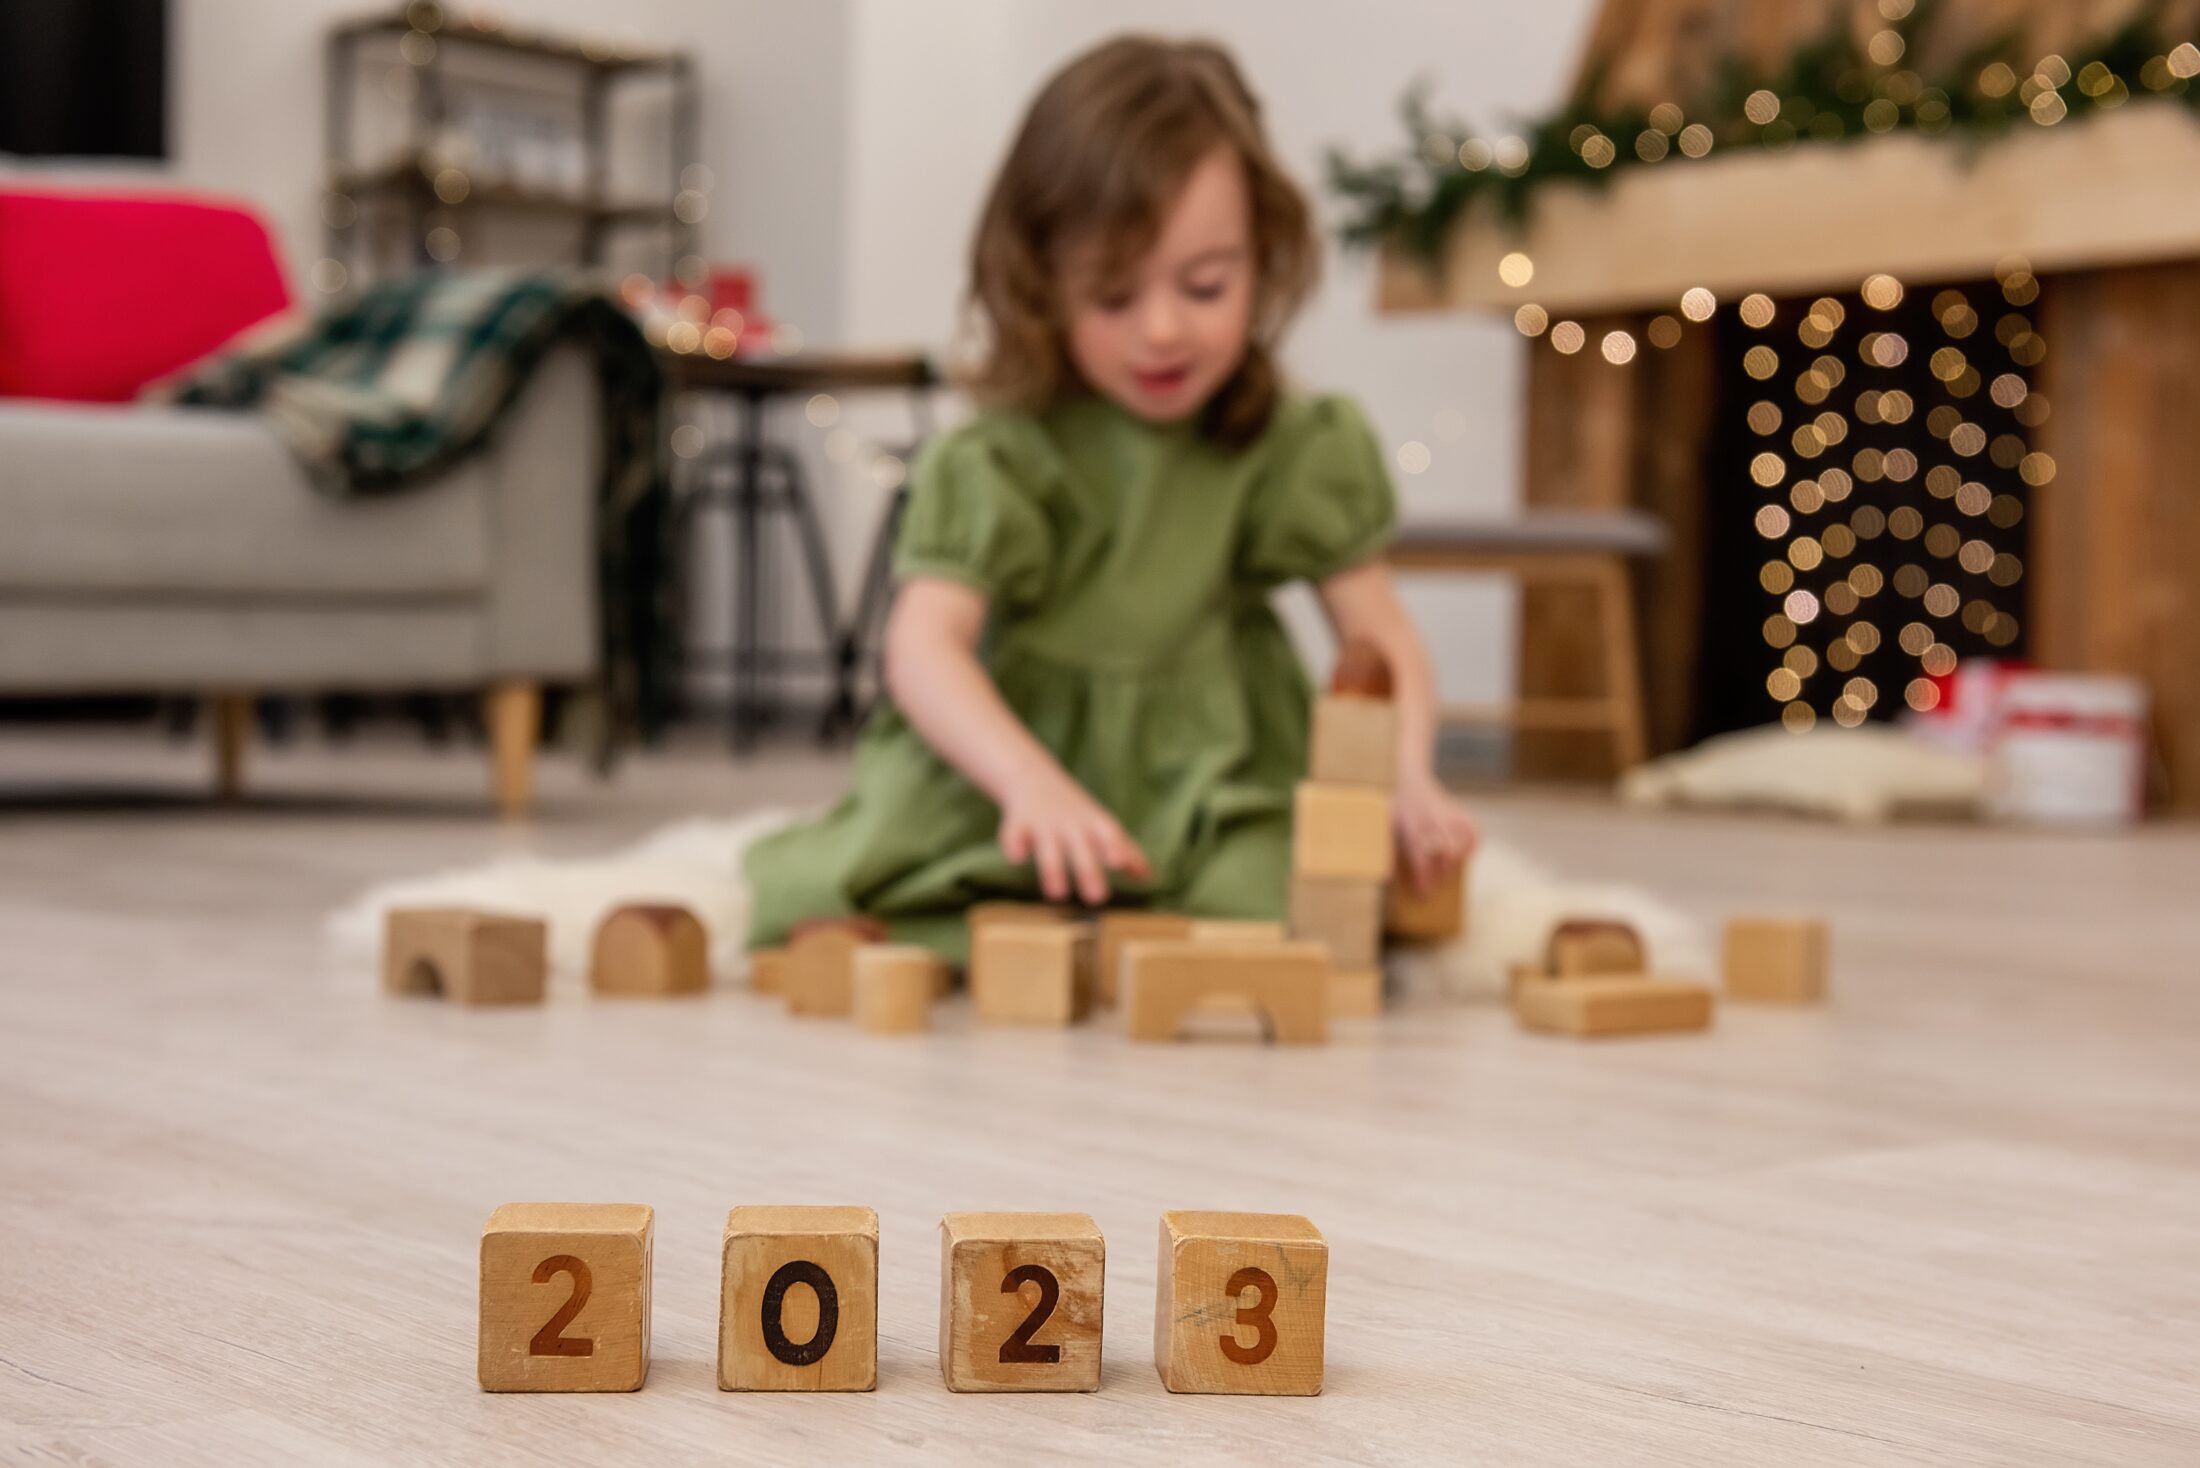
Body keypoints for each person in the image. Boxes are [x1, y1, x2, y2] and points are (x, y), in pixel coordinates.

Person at [745, 34, 1475, 960]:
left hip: (1217, 775)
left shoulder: (1292, 443)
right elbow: (924, 650)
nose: (1163, 329)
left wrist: (1404, 772)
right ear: (1041, 285)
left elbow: (1380, 634)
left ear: (1263, 257)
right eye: (1113, 296)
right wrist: (1027, 783)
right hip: (1016, 758)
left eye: (1205, 286)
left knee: (1288, 904)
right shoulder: (1003, 454)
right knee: (846, 898)